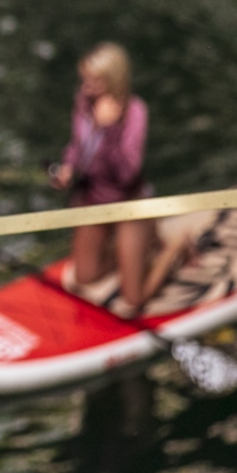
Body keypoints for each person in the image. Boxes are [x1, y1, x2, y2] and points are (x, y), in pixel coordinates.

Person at [49, 42, 165, 314]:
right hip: (95, 198)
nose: (86, 87)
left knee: (134, 299)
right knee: (85, 277)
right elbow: (78, 145)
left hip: (128, 202)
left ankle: (176, 249)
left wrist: (111, 129)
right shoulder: (83, 101)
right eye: (85, 79)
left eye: (95, 81)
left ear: (114, 80)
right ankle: (138, 251)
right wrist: (68, 167)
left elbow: (126, 174)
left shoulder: (135, 112)